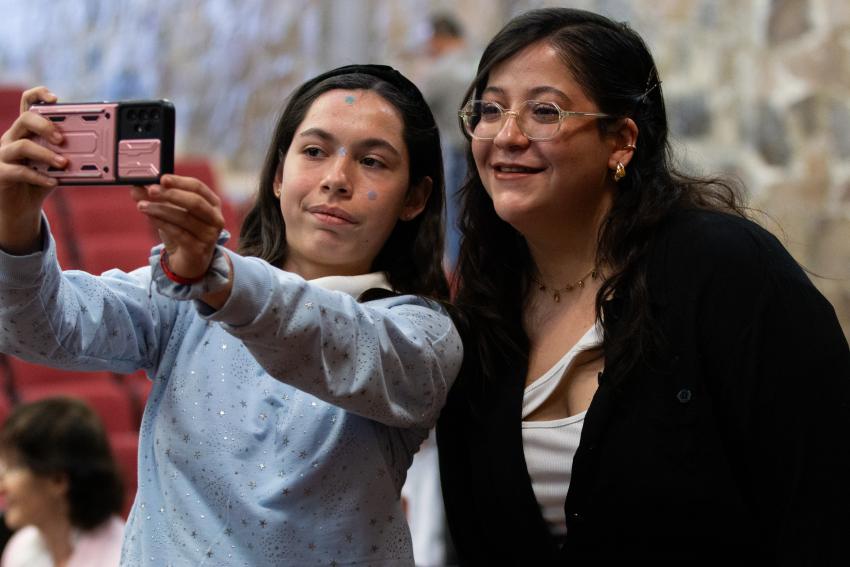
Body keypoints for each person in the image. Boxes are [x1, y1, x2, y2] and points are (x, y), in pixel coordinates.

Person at [0, 64, 462, 566]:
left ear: (415, 198)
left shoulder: (423, 335)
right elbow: (41, 330)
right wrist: (13, 225)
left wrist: (215, 277)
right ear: (279, 177)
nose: (335, 179)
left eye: (372, 162)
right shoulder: (183, 294)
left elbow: (326, 339)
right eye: (314, 151)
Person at [436, 7, 850, 566]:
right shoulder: (485, 311)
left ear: (621, 141)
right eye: (489, 110)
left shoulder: (723, 269)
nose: (507, 135)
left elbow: (823, 495)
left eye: (543, 111)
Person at [0, 397, 125, 567]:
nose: (2, 487)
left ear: (57, 480)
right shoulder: (20, 548)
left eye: (13, 467)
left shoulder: (125, 556)